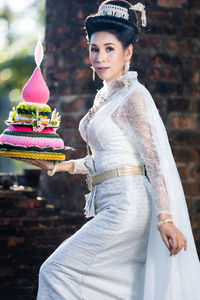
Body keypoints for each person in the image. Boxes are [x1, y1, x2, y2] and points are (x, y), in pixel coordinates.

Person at [18, 1, 200, 299]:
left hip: (128, 207)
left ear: (127, 52)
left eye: (109, 49)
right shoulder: (106, 96)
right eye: (94, 48)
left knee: (55, 270)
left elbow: (153, 161)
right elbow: (104, 158)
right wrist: (56, 165)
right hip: (112, 203)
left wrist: (166, 219)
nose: (99, 57)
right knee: (122, 289)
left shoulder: (133, 97)